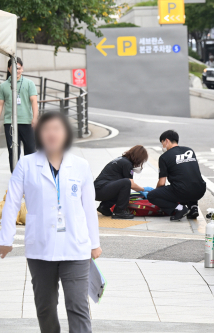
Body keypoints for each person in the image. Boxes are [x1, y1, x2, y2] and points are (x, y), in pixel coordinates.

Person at [0, 111, 101, 333]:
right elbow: (11, 204)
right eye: (47, 129)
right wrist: (5, 239)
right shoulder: (26, 165)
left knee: (78, 306)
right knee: (45, 308)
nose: (52, 134)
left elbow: (88, 207)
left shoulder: (81, 165)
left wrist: (95, 243)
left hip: (75, 247)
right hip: (41, 248)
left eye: (57, 129)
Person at [147, 130, 206, 221]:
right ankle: (194, 207)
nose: (163, 146)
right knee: (189, 179)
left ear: (166, 141)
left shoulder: (164, 157)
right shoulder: (189, 150)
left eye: (162, 143)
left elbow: (162, 183)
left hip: (183, 191)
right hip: (200, 189)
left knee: (152, 195)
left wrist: (156, 191)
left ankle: (180, 209)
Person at [94, 145, 153, 219]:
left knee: (121, 186)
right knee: (126, 183)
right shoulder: (127, 164)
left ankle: (104, 207)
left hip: (98, 190)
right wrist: (144, 189)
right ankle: (119, 211)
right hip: (101, 190)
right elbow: (131, 184)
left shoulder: (122, 160)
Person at [0, 57, 39, 171]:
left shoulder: (29, 83)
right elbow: (1, 105)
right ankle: (16, 178)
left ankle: (30, 175)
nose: (17, 70)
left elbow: (34, 102)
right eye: (14, 68)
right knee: (13, 152)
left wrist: (35, 118)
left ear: (22, 69)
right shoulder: (3, 86)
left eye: (19, 68)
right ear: (8, 69)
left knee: (31, 151)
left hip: (27, 122)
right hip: (10, 123)